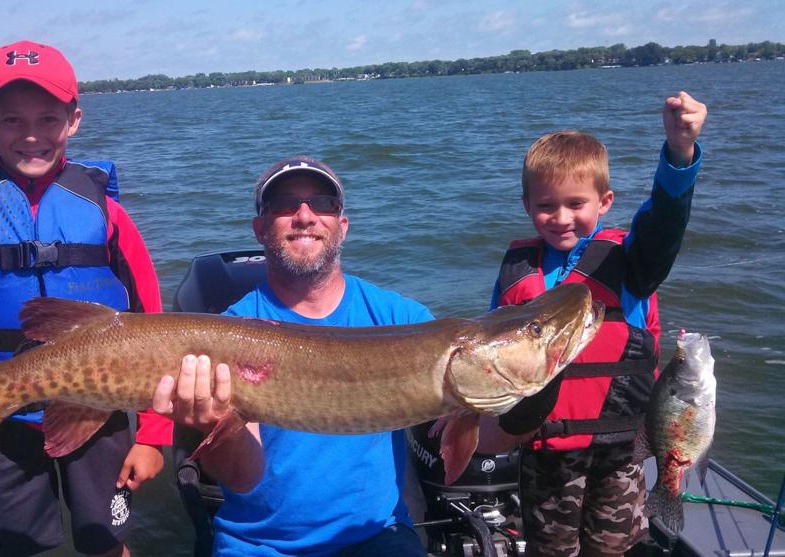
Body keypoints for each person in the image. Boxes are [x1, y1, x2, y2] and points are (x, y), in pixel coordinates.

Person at [0, 40, 172, 557]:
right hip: (3, 422)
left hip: (99, 413)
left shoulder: (108, 214)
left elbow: (158, 333)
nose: (31, 135)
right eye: (11, 120)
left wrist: (153, 435)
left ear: (74, 120)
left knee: (106, 542)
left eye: (49, 118)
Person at [152, 156, 433, 556]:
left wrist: (528, 405)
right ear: (260, 229)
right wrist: (216, 426)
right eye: (284, 205)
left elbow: (488, 438)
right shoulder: (230, 332)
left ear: (342, 225)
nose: (305, 215)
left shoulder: (402, 319)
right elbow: (243, 478)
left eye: (322, 203)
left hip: (377, 537)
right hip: (260, 545)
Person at [479, 92, 707, 556]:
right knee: (550, 550)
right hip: (544, 451)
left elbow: (665, 225)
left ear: (604, 202)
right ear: (526, 206)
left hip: (621, 453)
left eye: (575, 203)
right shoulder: (517, 272)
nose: (561, 218)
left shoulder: (632, 264)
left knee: (612, 549)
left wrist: (679, 156)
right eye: (546, 206)